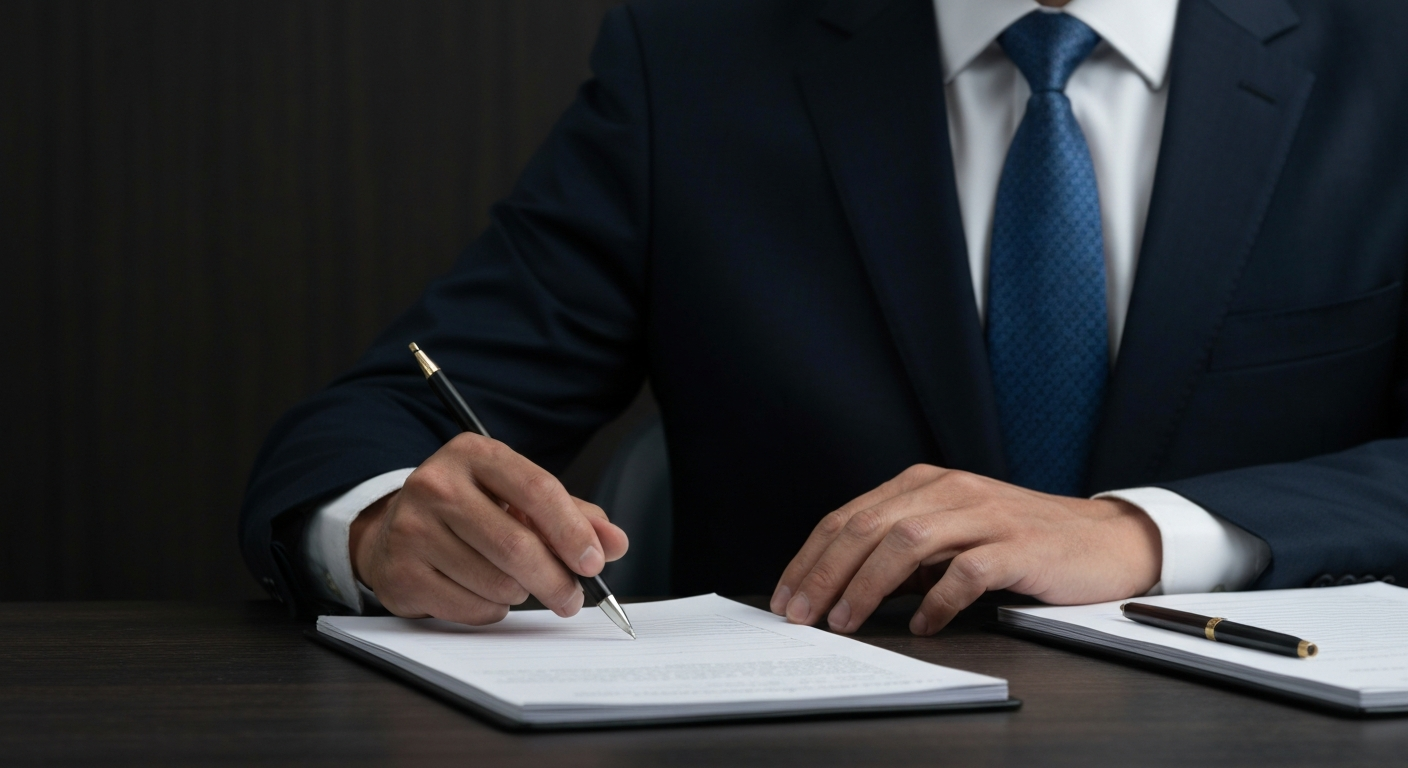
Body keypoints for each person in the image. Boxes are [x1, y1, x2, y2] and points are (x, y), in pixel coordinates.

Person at [240, 0, 1408, 636]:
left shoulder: (1387, 51)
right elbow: (382, 413)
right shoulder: (692, 61)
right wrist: (384, 525)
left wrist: (1145, 533)